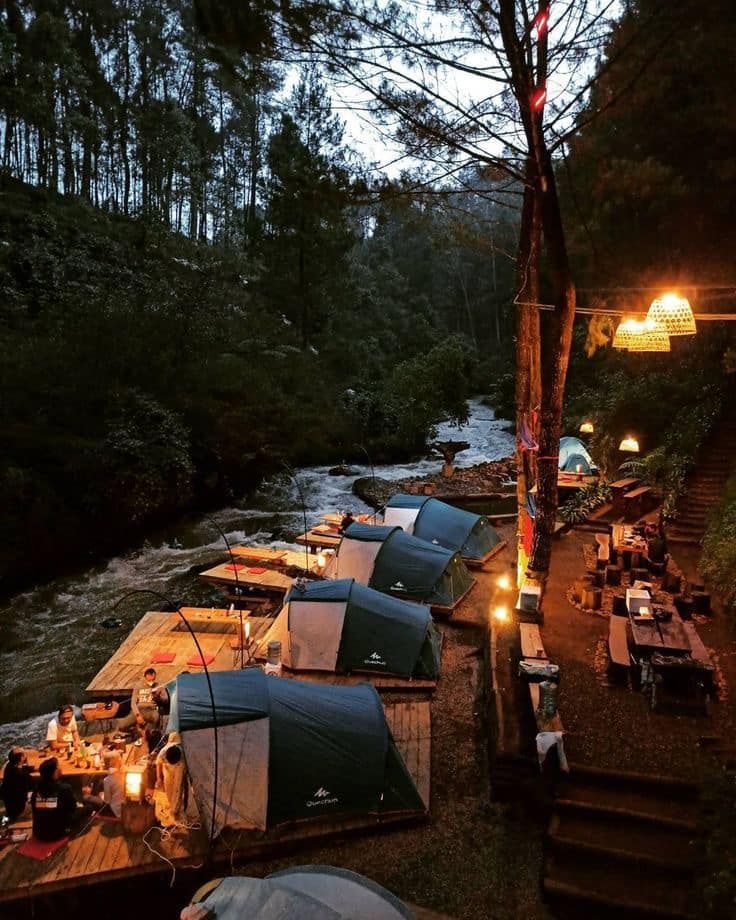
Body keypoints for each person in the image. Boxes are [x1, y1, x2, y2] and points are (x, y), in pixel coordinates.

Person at [31, 757, 80, 841]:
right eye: (58, 766)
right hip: (57, 833)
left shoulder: (37, 789)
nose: (60, 768)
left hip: (39, 833)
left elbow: (41, 807)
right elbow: (73, 809)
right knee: (88, 809)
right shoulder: (64, 788)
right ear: (54, 772)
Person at [155, 735, 188, 826]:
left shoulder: (183, 752)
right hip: (167, 768)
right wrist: (159, 778)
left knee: (178, 788)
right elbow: (158, 763)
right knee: (168, 787)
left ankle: (176, 811)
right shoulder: (163, 752)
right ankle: (171, 808)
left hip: (179, 767)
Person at [82, 752, 125, 818]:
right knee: (98, 779)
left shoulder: (108, 779)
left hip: (112, 810)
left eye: (105, 761)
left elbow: (106, 801)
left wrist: (101, 796)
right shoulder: (123, 772)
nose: (104, 763)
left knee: (85, 798)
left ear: (109, 763)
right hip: (121, 806)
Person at [0, 749, 34, 822]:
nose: (26, 753)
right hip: (19, 809)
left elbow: (22, 768)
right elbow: (31, 784)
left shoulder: (9, 766)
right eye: (24, 753)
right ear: (21, 758)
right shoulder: (20, 775)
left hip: (10, 806)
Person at [131, 667, 161, 736]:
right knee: (125, 723)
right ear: (147, 676)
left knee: (156, 716)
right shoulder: (138, 686)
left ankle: (150, 734)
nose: (153, 680)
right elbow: (133, 703)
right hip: (140, 710)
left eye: (154, 678)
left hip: (151, 710)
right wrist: (137, 715)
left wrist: (157, 698)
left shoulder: (157, 686)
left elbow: (161, 700)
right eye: (152, 678)